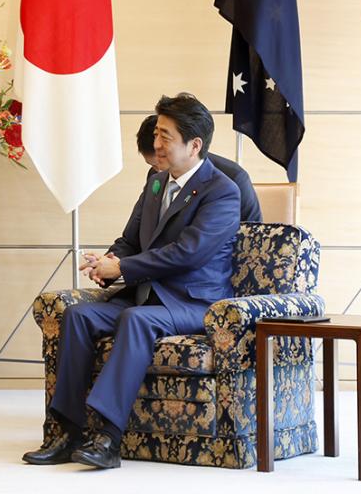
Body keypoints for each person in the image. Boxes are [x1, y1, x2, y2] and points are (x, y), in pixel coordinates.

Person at [23, 93, 240, 470]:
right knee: (78, 316)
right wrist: (108, 260)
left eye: (166, 136)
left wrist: (122, 270)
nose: (156, 144)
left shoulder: (222, 191)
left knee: (135, 320)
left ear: (195, 145)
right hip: (146, 293)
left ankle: (108, 437)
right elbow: (131, 240)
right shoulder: (156, 182)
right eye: (157, 133)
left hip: (191, 302)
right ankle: (67, 430)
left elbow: (187, 253)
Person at [136, 113, 262, 222]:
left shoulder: (234, 177)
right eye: (153, 165)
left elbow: (253, 234)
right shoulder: (155, 176)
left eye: (162, 159)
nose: (159, 170)